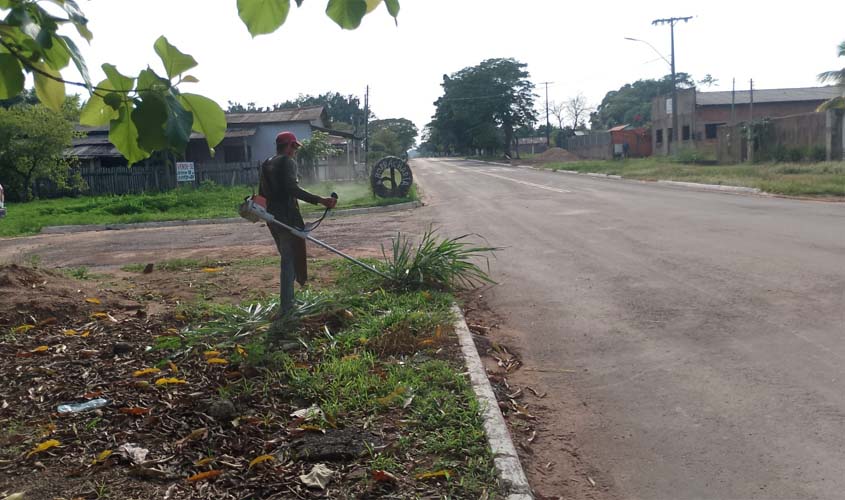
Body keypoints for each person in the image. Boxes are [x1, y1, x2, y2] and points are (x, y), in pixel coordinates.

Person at [259, 131, 336, 318]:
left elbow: (262, 192)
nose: (295, 152)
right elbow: (292, 189)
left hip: (272, 217)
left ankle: (290, 299)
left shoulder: (267, 162)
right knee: (289, 260)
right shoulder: (287, 162)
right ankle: (286, 307)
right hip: (287, 218)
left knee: (289, 258)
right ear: (290, 146)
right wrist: (321, 200)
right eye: (294, 148)